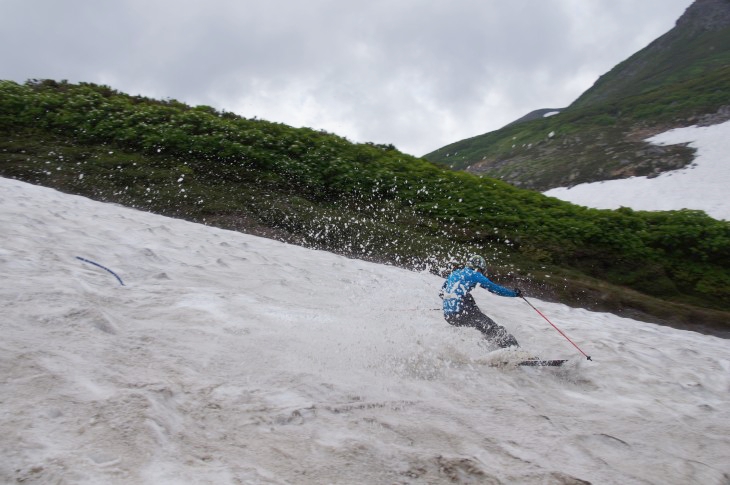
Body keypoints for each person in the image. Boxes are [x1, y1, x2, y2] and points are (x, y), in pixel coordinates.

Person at [440, 255, 522, 348]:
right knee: (497, 331)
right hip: (462, 312)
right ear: (480, 268)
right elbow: (495, 289)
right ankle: (516, 352)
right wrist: (514, 294)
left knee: (471, 303)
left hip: (449, 316)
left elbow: (442, 293)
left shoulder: (455, 273)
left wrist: (451, 305)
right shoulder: (475, 274)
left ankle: (492, 350)